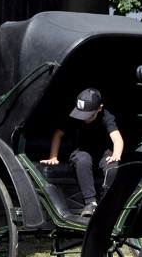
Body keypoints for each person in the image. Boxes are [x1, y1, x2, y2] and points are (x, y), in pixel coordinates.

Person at [40, 87, 124, 217]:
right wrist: (53, 157)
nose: (85, 119)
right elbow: (58, 134)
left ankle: (108, 204)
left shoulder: (106, 116)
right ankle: (91, 203)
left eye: (89, 115)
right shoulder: (75, 116)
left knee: (113, 167)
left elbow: (117, 138)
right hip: (81, 151)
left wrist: (116, 155)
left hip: (102, 153)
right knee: (83, 160)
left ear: (99, 108)